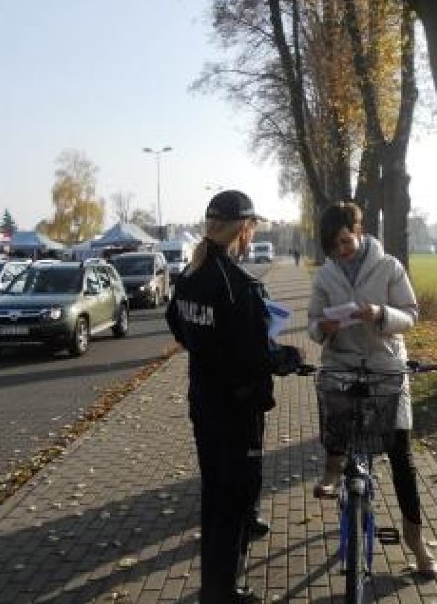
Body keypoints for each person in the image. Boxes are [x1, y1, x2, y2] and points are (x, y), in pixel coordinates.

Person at [166, 189, 303, 604]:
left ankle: (218, 588)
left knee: (215, 498)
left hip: (204, 402)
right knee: (233, 503)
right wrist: (287, 357)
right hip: (236, 409)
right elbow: (255, 355)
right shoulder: (238, 285)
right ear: (244, 230)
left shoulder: (190, 275)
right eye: (252, 227)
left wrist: (209, 350)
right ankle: (222, 594)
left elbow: (178, 326)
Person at [306, 201, 437, 578]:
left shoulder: (388, 266)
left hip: (385, 367)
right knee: (332, 408)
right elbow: (314, 322)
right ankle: (333, 469)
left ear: (359, 231)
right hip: (343, 363)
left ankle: (417, 543)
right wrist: (324, 329)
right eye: (334, 247)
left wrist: (380, 313)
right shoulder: (325, 275)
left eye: (346, 242)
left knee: (401, 455)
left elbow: (411, 314)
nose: (341, 251)